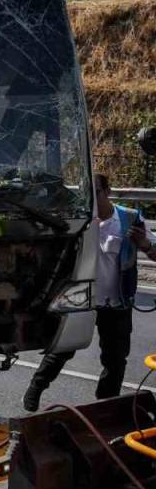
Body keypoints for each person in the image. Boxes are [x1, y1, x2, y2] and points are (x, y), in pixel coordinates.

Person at [23, 173, 156, 411]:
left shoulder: (130, 219)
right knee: (63, 349)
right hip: (82, 299)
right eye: (87, 194)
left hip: (117, 302)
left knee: (115, 360)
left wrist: (145, 245)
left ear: (107, 191)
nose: (91, 199)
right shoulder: (79, 218)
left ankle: (105, 407)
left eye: (96, 193)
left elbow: (153, 249)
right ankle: (36, 387)